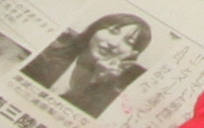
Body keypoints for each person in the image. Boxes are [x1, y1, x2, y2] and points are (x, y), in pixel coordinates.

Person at [21, 13, 153, 117]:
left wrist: (96, 83)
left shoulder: (110, 99)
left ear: (132, 54)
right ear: (95, 29)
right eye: (113, 31)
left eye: (128, 42)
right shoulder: (46, 55)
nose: (114, 43)